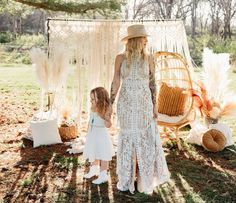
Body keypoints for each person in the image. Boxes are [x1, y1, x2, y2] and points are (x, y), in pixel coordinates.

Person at [110, 24, 170, 194]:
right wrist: (110, 103)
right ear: (136, 40)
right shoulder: (120, 58)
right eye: (144, 38)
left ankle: (145, 180)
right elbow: (115, 81)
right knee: (127, 141)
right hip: (126, 105)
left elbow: (152, 84)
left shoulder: (150, 58)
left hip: (144, 105)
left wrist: (155, 105)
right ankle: (126, 180)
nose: (146, 41)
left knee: (146, 142)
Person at [83, 87, 114, 184]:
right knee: (93, 151)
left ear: (100, 99)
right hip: (93, 134)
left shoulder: (105, 109)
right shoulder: (92, 107)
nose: (91, 101)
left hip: (101, 135)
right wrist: (88, 132)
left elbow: (109, 125)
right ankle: (94, 169)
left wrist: (107, 120)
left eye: (93, 99)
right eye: (90, 98)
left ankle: (103, 174)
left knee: (103, 153)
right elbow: (90, 120)